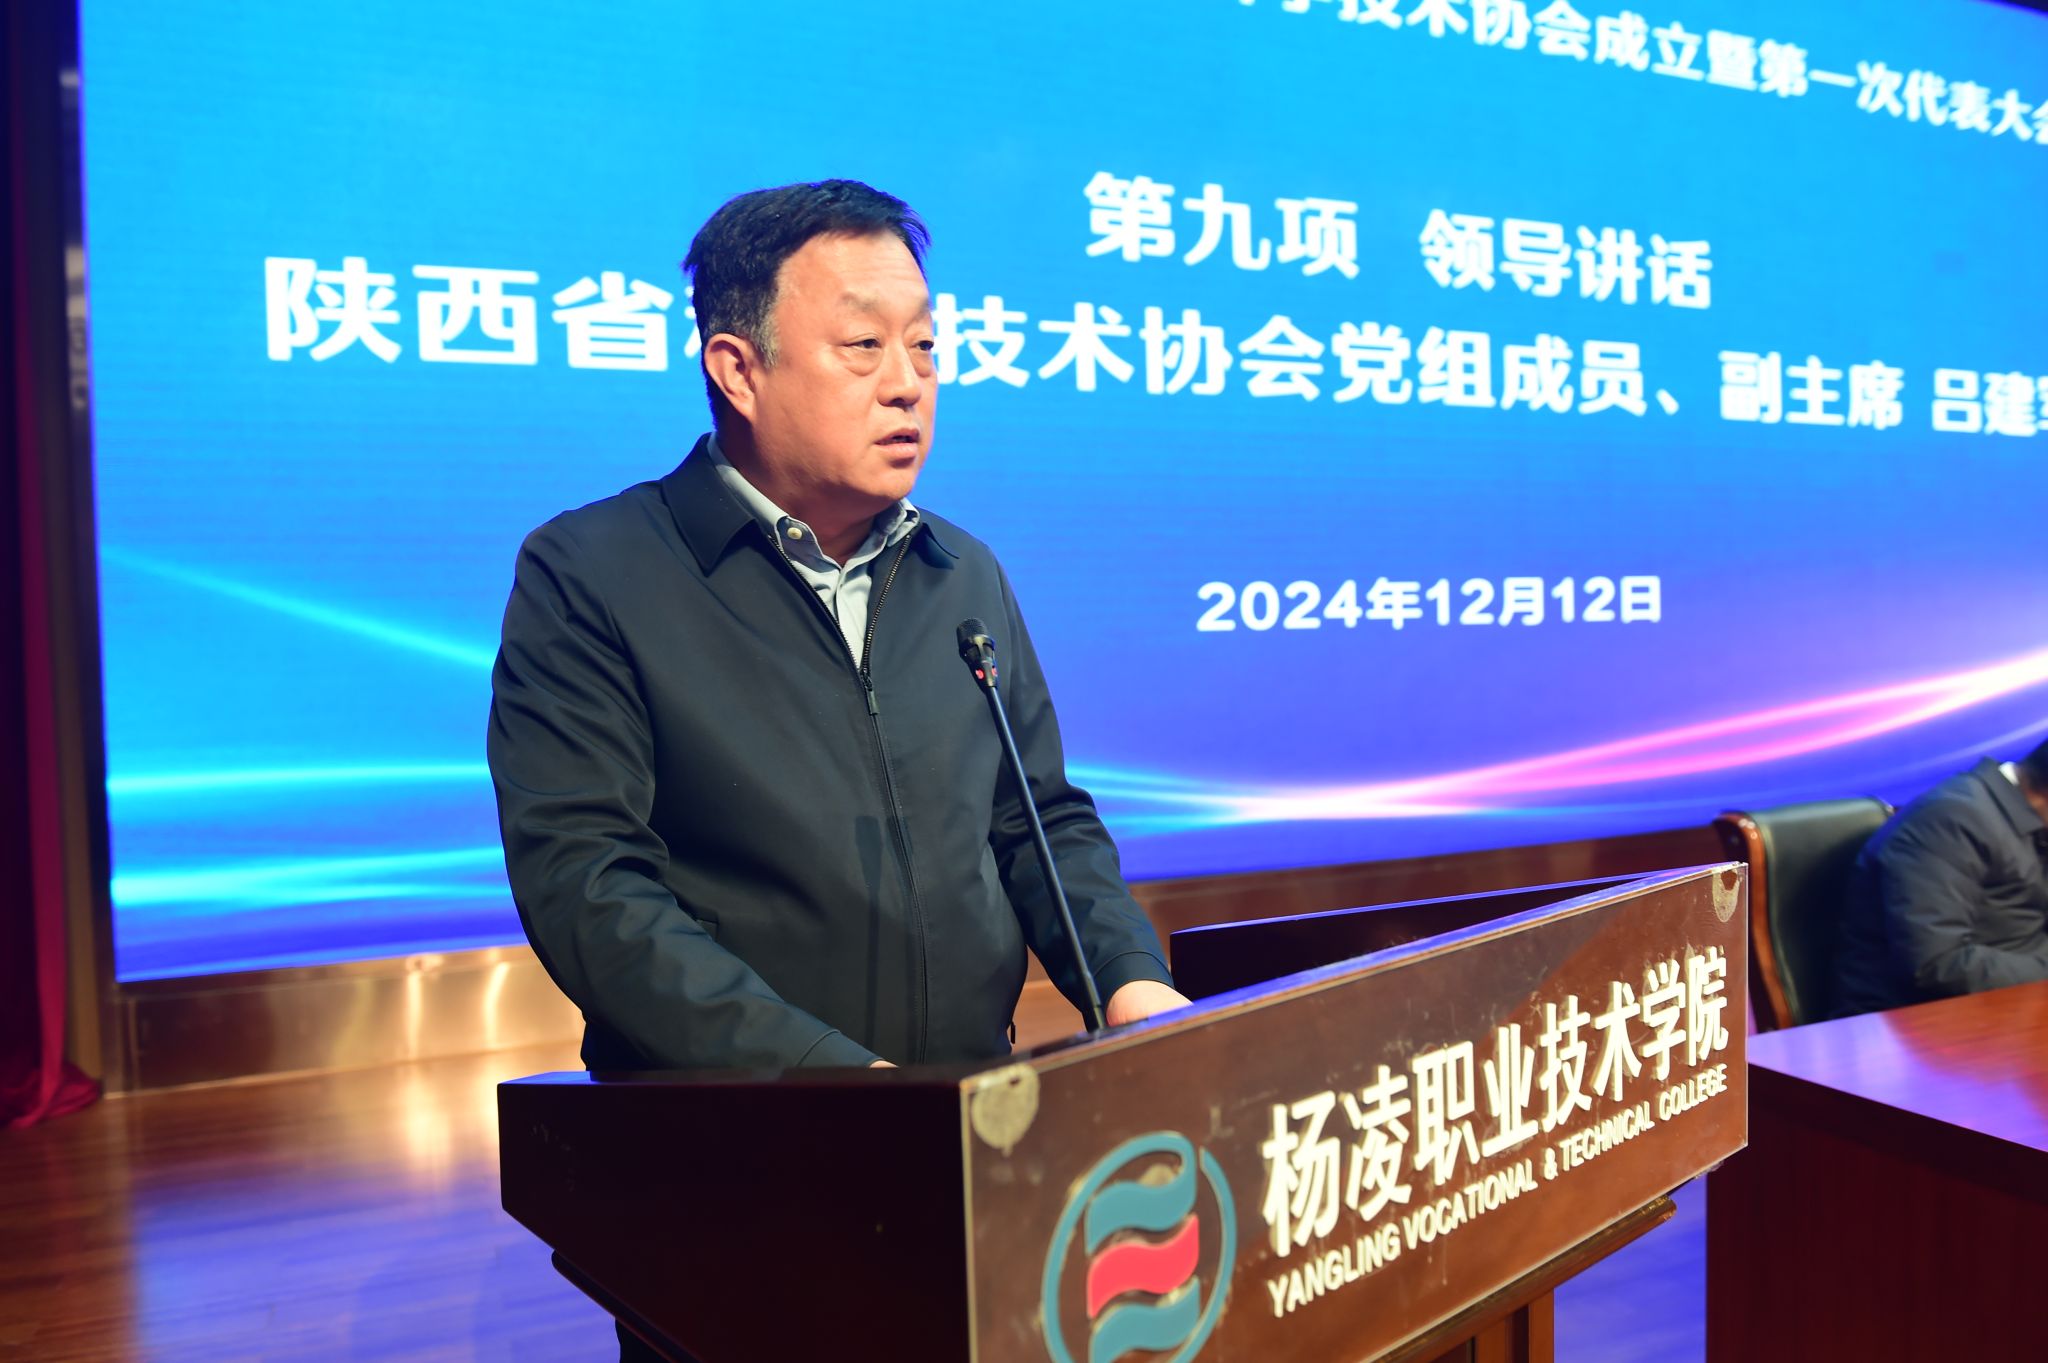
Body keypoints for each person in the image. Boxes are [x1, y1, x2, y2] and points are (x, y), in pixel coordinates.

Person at [1831, 739, 2048, 1018]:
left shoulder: (2031, 818)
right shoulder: (1948, 821)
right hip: (1911, 1023)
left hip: (2012, 1004)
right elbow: (1938, 965)